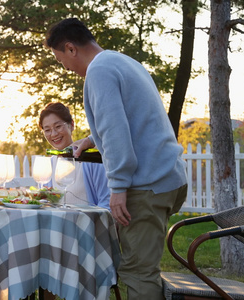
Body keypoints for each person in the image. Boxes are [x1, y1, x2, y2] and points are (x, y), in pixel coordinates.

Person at [45, 18, 188, 299]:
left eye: (61, 61)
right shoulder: (122, 62)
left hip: (146, 184)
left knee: (137, 271)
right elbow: (132, 118)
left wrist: (118, 187)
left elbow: (115, 131)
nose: (66, 69)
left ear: (71, 48)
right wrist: (89, 139)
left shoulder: (98, 72)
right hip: (169, 177)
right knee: (142, 264)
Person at [39, 102, 110, 209]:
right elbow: (45, 205)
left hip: (88, 224)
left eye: (58, 126)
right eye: (47, 130)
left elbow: (106, 203)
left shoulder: (91, 161)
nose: (53, 134)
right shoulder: (49, 166)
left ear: (71, 125)